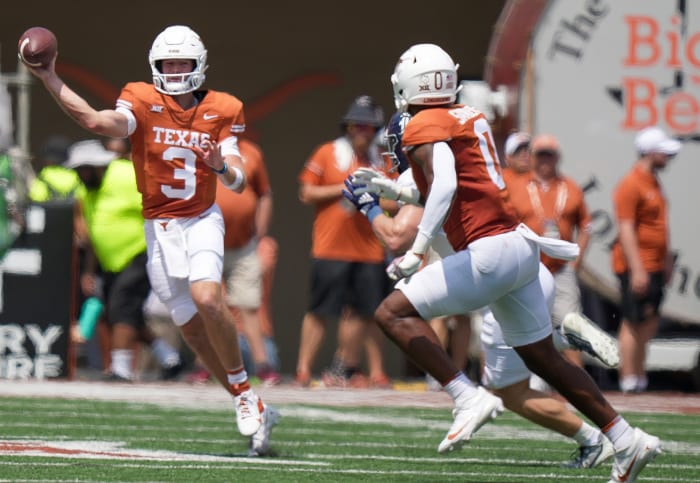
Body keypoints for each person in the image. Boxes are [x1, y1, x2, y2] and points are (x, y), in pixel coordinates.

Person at [358, 43, 660, 482]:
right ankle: (626, 438)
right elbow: (456, 183)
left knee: (391, 313)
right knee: (541, 359)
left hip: (489, 254)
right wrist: (400, 192)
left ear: (412, 83)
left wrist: (417, 250)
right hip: (521, 251)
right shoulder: (468, 115)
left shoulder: (424, 122)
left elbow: (443, 183)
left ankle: (466, 395)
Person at [22, 25, 278, 455]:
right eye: (168, 63)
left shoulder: (223, 107)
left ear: (199, 65)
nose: (175, 71)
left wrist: (220, 166)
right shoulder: (141, 99)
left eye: (182, 63)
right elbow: (95, 119)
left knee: (209, 298)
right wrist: (50, 76)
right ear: (155, 67)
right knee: (193, 333)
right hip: (158, 228)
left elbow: (237, 181)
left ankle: (243, 389)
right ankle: (246, 398)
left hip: (200, 219)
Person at [348, 111, 616, 469]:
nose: (395, 152)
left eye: (398, 144)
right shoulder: (464, 170)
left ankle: (593, 430)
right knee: (531, 355)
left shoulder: (436, 177)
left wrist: (367, 208)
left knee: (510, 389)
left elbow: (398, 233)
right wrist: (391, 191)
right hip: (527, 270)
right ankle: (565, 346)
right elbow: (422, 196)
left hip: (495, 285)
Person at [66, 139, 183, 382]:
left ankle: (121, 369)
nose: (83, 175)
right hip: (110, 262)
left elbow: (161, 204)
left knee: (122, 306)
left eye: (87, 169)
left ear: (100, 166)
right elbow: (94, 233)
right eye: (79, 170)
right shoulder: (85, 190)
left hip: (139, 253)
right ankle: (170, 359)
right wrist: (89, 270)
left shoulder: (126, 175)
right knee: (121, 314)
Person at [295, 95, 391, 388]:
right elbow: (306, 193)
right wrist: (345, 187)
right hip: (331, 246)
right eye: (356, 126)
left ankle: (370, 371)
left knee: (368, 313)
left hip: (370, 248)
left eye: (368, 127)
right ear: (347, 127)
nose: (362, 132)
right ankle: (303, 369)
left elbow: (397, 200)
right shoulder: (327, 152)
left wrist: (372, 192)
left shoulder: (382, 161)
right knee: (321, 311)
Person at [504, 133, 604, 368]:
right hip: (528, 268)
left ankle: (578, 384)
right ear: (533, 157)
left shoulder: (570, 187)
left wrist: (576, 261)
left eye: (550, 155)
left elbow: (586, 226)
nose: (545, 160)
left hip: (560, 269)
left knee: (569, 324)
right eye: (541, 154)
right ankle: (527, 380)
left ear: (557, 157)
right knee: (525, 325)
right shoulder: (516, 185)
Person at [611, 126, 679, 394]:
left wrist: (667, 261)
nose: (669, 158)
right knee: (632, 320)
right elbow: (626, 228)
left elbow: (661, 226)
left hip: (654, 264)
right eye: (664, 153)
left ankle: (639, 375)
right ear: (651, 152)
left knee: (649, 320)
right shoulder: (631, 184)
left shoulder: (654, 183)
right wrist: (637, 269)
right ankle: (628, 377)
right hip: (636, 265)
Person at [216, 137, 280, 385]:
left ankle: (263, 365)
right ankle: (205, 366)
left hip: (243, 245)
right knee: (211, 305)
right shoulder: (201, 144)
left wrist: (259, 233)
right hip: (209, 243)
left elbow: (264, 193)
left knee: (249, 305)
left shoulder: (252, 152)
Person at [28, 135, 82, 202]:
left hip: (50, 212)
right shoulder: (76, 175)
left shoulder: (44, 175)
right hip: (72, 211)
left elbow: (36, 198)